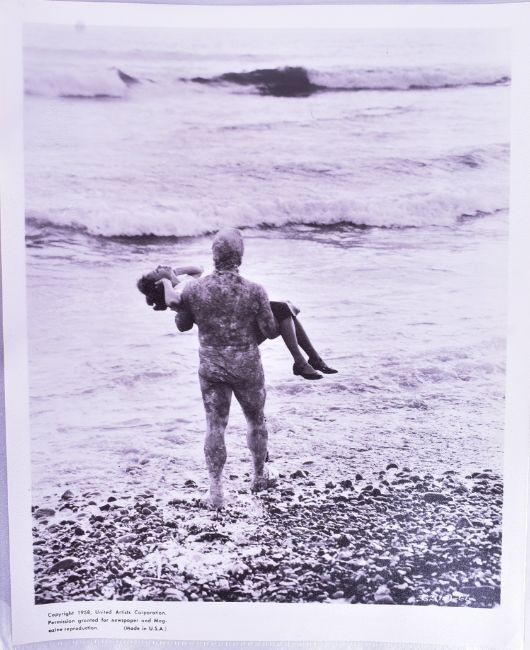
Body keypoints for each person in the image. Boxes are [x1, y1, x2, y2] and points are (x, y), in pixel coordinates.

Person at [139, 267, 337, 381]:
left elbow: (197, 269)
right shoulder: (177, 290)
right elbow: (173, 301)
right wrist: (166, 281)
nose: (161, 265)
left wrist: (172, 272)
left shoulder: (185, 282)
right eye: (157, 269)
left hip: (237, 322)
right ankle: (303, 362)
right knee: (284, 309)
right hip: (234, 333)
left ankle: (312, 359)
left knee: (285, 309)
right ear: (160, 283)